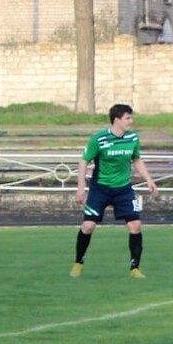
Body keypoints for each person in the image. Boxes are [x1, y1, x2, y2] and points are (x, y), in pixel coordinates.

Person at [71, 102, 159, 278]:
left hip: (123, 189)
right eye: (127, 118)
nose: (131, 121)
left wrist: (149, 180)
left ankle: (135, 268)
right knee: (88, 226)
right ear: (116, 120)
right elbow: (83, 161)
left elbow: (136, 160)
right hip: (100, 189)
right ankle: (78, 262)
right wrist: (81, 188)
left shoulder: (132, 138)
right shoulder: (99, 139)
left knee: (135, 225)